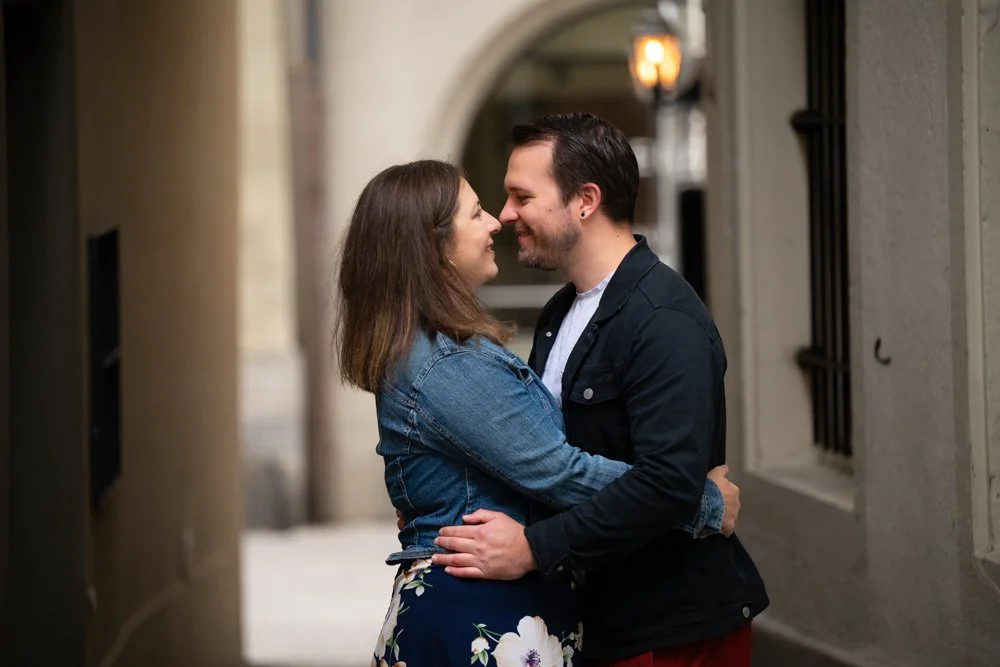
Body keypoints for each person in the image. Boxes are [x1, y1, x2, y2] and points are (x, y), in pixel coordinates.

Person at [334, 159, 740, 667]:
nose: (495, 222)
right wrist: (700, 502)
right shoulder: (444, 363)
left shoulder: (440, 351)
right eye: (477, 211)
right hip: (480, 617)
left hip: (490, 610)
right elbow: (558, 470)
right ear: (435, 249)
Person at [431, 113, 770, 667]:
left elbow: (667, 485)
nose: (506, 214)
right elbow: (547, 459)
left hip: (672, 630)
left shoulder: (664, 317)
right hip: (599, 621)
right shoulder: (560, 311)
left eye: (521, 195)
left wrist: (533, 548)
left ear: (584, 200)